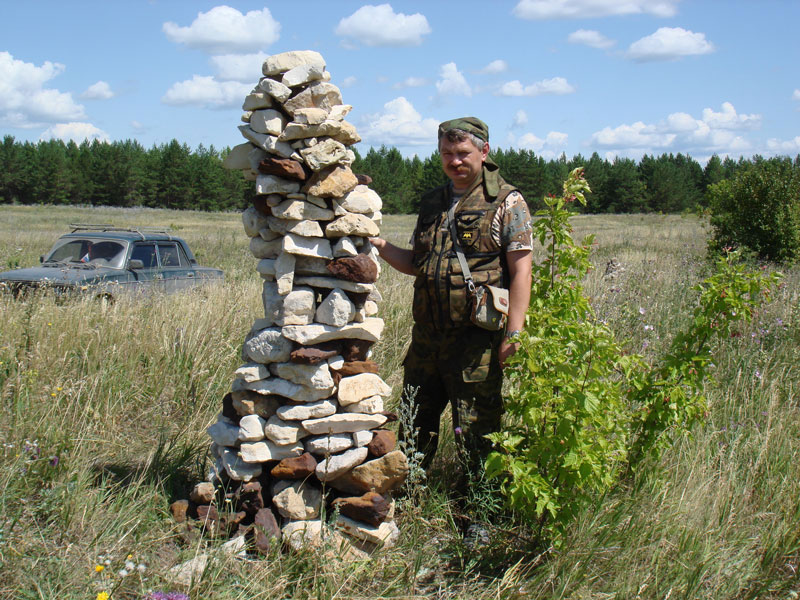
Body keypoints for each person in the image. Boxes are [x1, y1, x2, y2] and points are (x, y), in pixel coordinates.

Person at [370, 117, 533, 475]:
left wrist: (514, 333)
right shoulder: (433, 202)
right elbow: (418, 263)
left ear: (484, 151)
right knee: (415, 424)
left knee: (479, 431)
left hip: (475, 342)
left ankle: (480, 514)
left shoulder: (507, 201)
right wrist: (378, 245)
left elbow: (521, 271)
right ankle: (411, 494)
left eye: (463, 153)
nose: (455, 161)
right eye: (447, 153)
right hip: (426, 339)